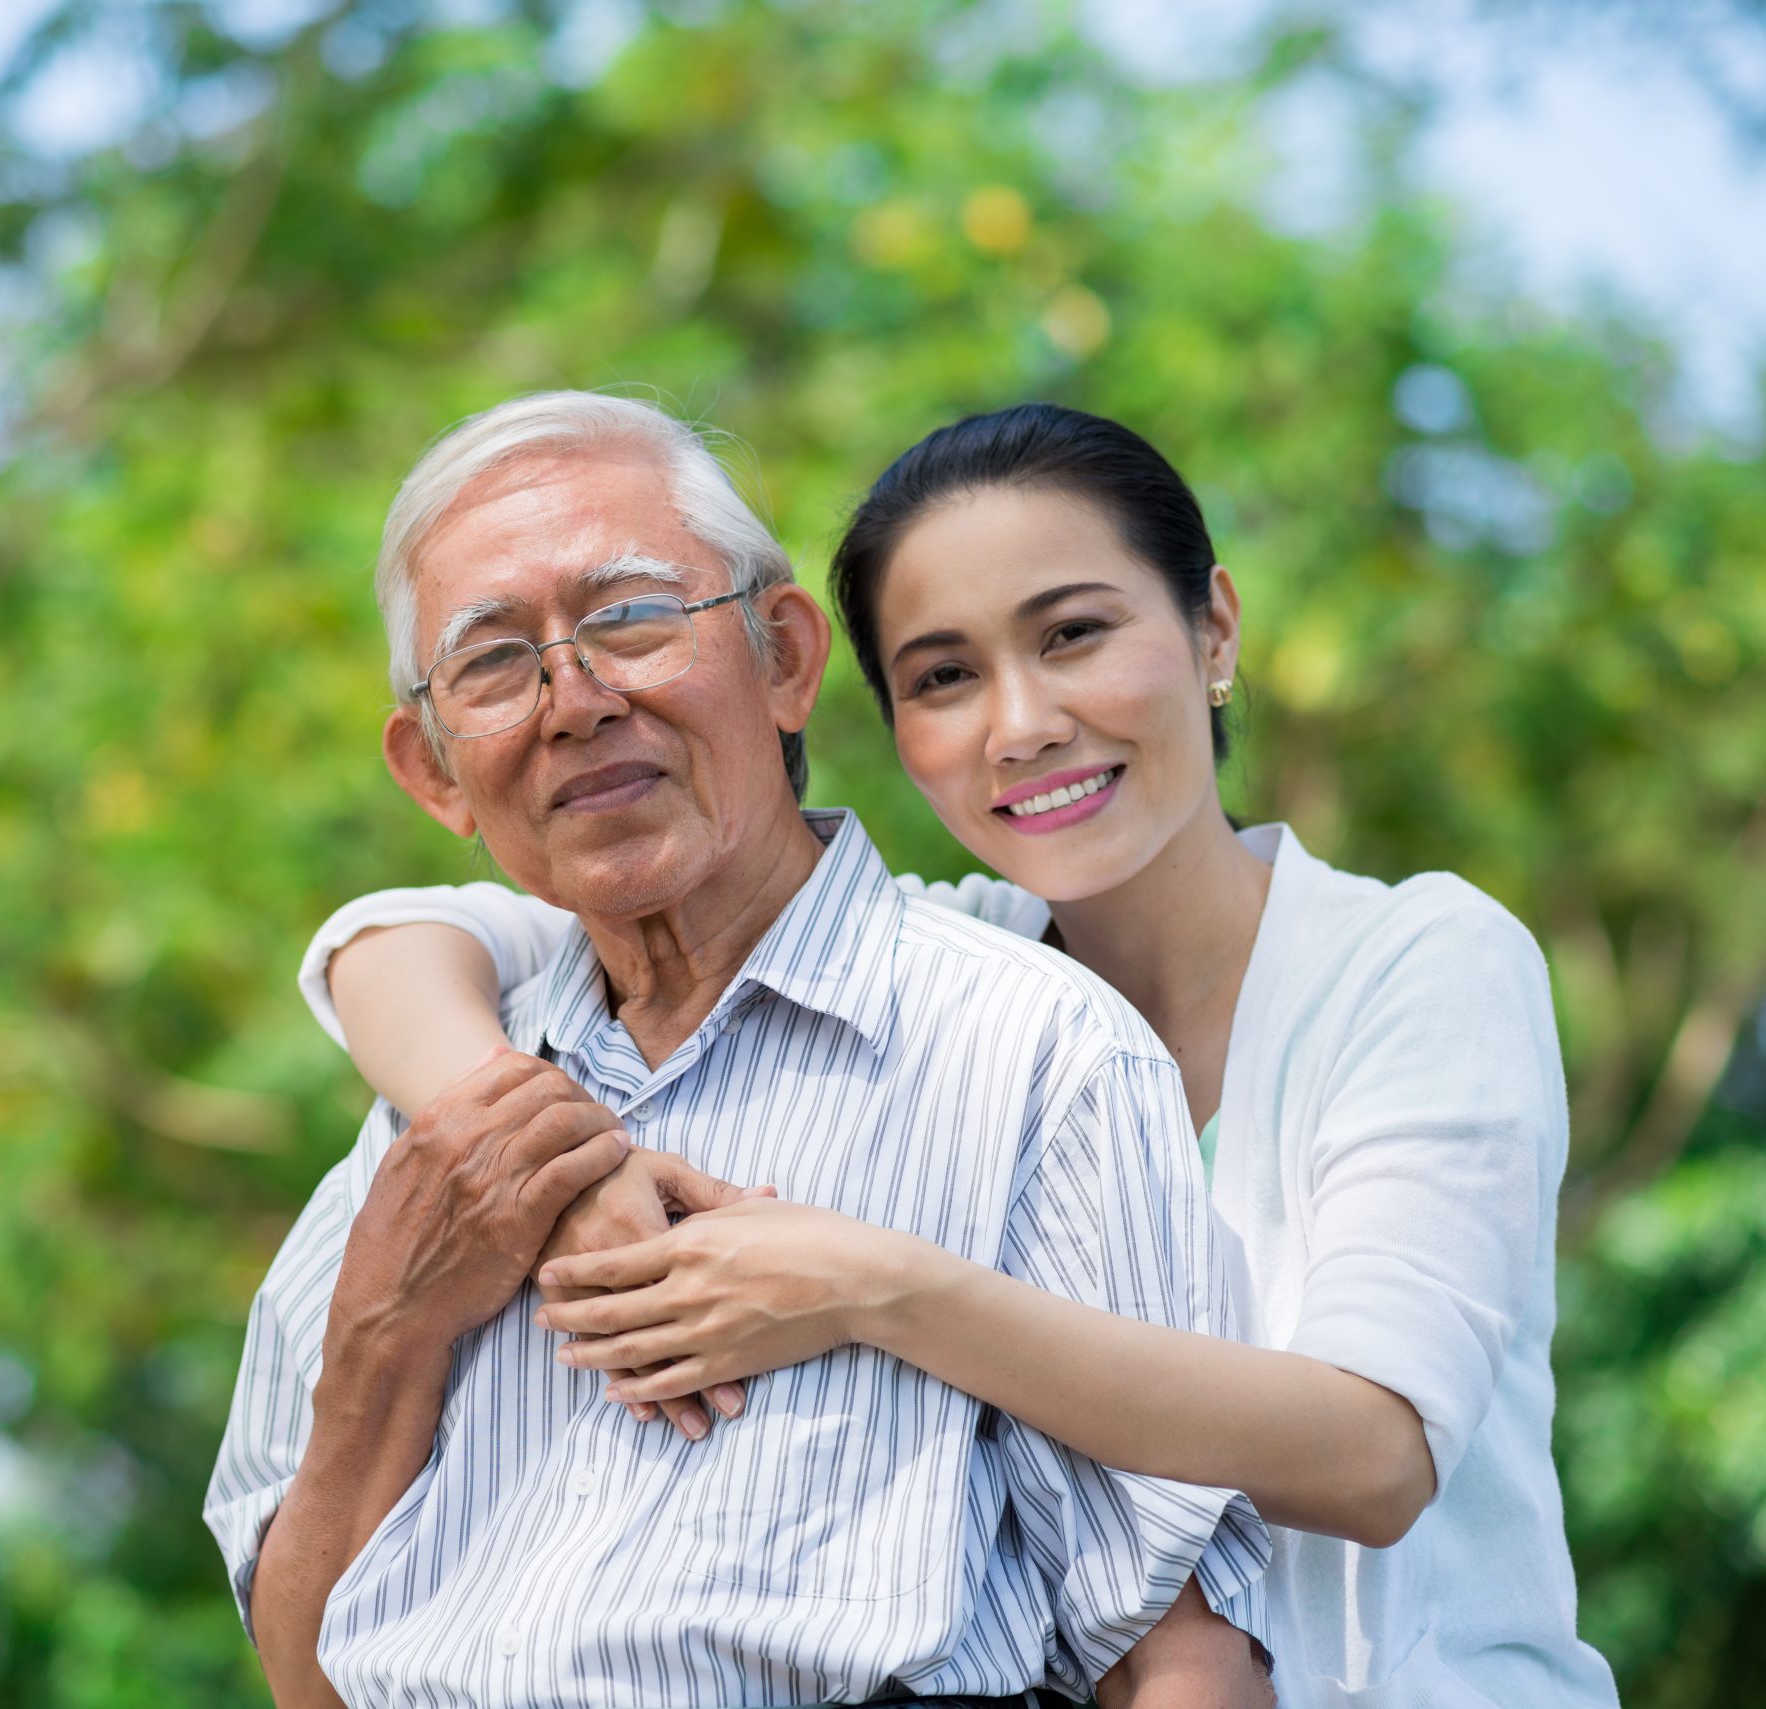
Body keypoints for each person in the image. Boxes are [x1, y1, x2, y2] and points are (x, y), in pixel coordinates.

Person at [300, 403, 1622, 1708]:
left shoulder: (1408, 961)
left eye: (1076, 634)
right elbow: (402, 934)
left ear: (1213, 630)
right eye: (943, 676)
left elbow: (1377, 1453)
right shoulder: (955, 951)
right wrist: (537, 1163)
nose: (1022, 723)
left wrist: (872, 1284)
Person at [204, 392, 1276, 1708]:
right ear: (433, 774)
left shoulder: (1026, 1047)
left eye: (632, 617)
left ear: (781, 656)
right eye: (493, 663)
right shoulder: (418, 1138)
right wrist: (389, 1332)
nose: (576, 700)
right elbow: (304, 1674)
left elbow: (1177, 1651)